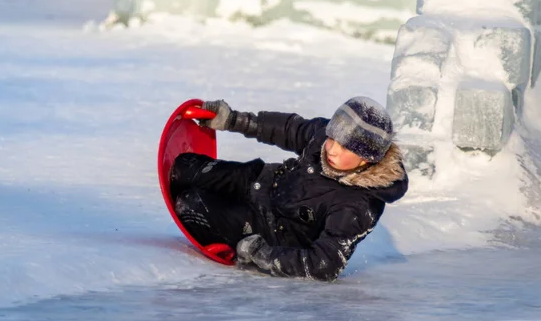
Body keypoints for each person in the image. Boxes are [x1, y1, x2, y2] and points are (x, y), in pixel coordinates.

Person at [169, 97, 408, 281]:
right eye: (332, 139)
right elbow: (287, 128)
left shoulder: (358, 206)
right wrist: (233, 120)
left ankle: (224, 225)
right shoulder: (324, 138)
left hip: (270, 230)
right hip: (260, 181)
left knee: (189, 203)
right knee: (182, 168)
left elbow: (325, 265)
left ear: (366, 159)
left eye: (345, 148)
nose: (332, 149)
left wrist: (264, 255)